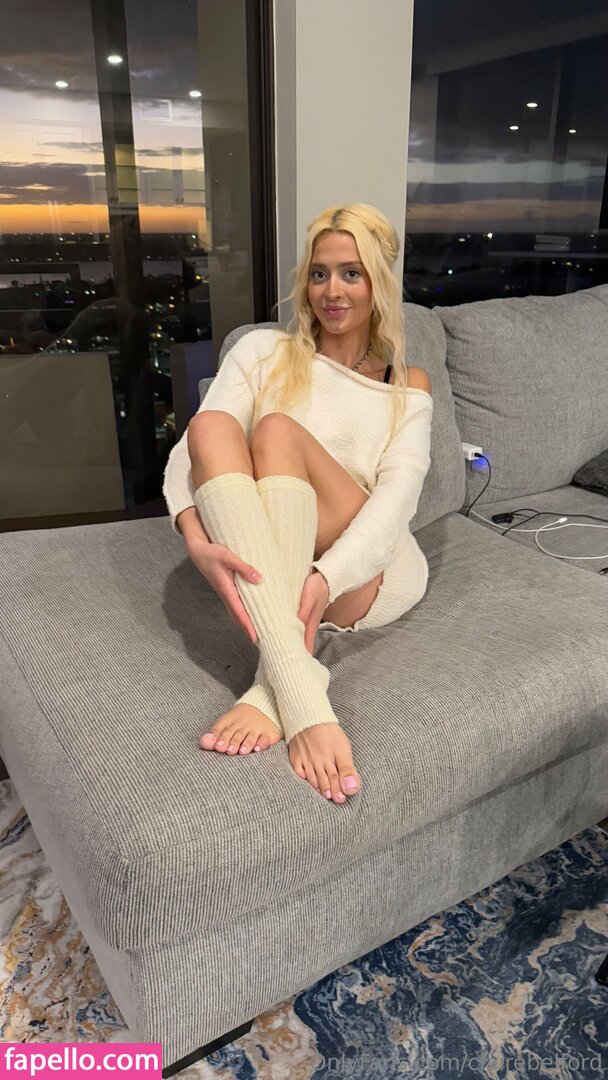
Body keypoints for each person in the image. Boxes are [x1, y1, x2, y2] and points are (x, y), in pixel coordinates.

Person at [163, 203, 433, 807]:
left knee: (277, 430)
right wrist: (197, 542)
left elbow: (398, 501)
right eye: (319, 274)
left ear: (378, 283)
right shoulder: (264, 350)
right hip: (276, 555)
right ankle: (297, 677)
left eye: (351, 274)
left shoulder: (404, 383)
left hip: (365, 567)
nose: (332, 291)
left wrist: (328, 574)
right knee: (210, 427)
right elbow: (188, 457)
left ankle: (280, 693)